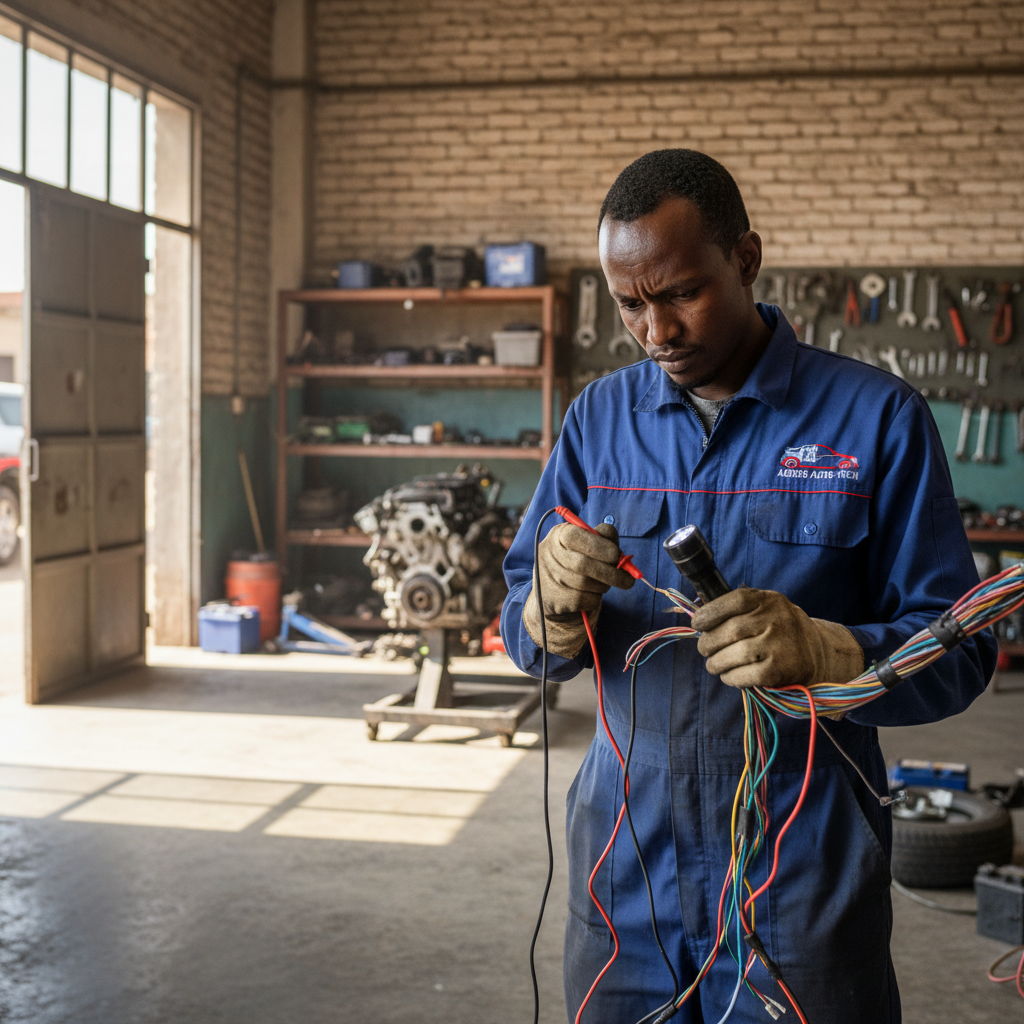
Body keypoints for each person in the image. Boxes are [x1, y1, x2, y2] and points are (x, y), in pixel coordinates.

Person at [500, 149, 997, 1024]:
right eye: (629, 304)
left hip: (802, 856)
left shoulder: (876, 418)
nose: (656, 330)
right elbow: (525, 635)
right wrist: (548, 609)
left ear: (746, 259)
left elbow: (963, 648)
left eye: (681, 293)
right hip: (627, 856)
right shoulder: (597, 420)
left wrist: (833, 650)